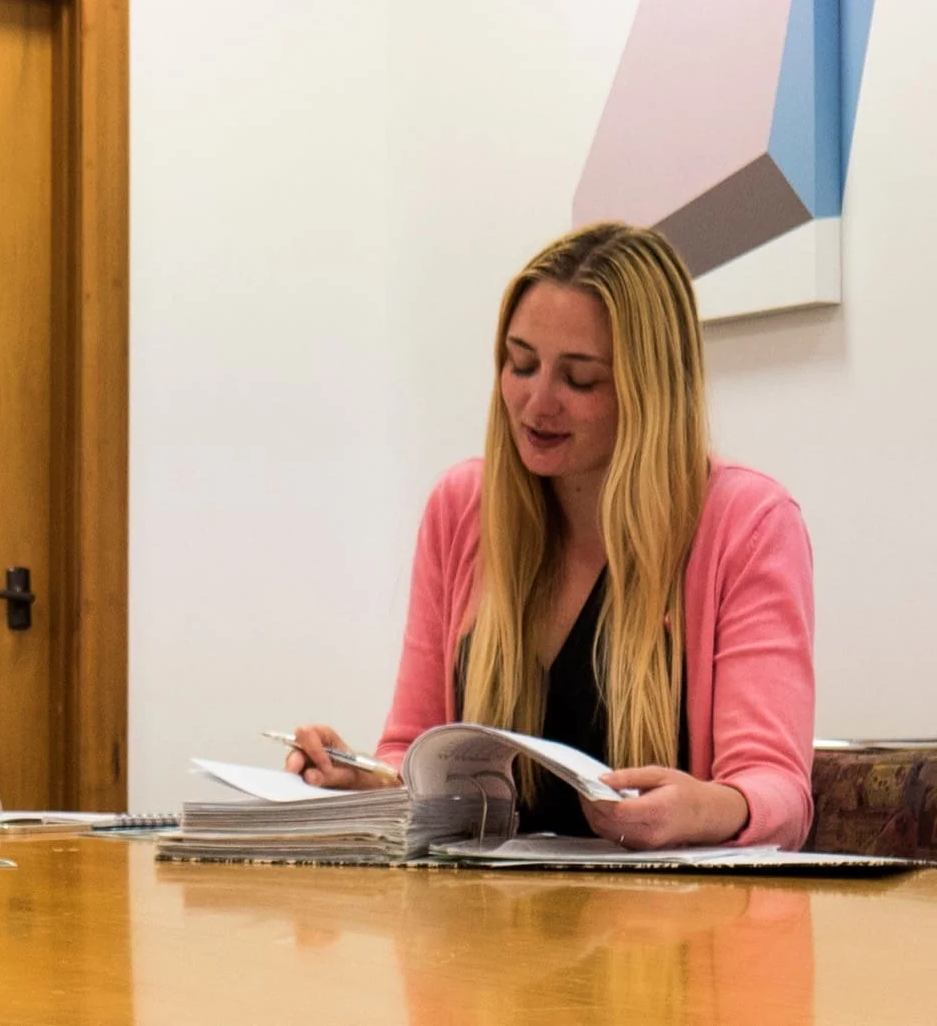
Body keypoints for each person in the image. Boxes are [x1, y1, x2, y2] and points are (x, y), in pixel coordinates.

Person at [285, 222, 815, 851]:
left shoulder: (747, 523)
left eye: (580, 379)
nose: (536, 404)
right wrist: (363, 779)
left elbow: (778, 791)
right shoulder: (461, 509)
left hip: (663, 934)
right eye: (521, 363)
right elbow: (411, 749)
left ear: (649, 390)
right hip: (481, 930)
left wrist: (708, 810)